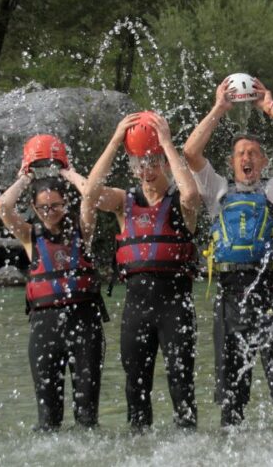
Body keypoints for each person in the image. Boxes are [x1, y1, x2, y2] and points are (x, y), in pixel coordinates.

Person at [183, 76, 273, 427]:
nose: (246, 157)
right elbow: (191, 152)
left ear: (264, 160)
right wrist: (219, 108)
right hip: (230, 299)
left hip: (272, 296)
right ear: (231, 162)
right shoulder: (217, 193)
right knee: (232, 404)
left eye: (253, 153)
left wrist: (268, 106)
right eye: (240, 153)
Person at [82, 112, 200, 430]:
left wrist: (165, 142)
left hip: (175, 306)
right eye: (139, 165)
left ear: (163, 163)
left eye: (152, 163)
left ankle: (190, 451)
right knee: (136, 389)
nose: (146, 172)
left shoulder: (180, 202)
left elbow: (191, 195)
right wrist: (116, 139)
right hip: (137, 309)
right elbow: (90, 193)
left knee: (181, 385)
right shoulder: (124, 202)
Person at [0, 134, 106, 431]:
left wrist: (67, 172)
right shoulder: (30, 235)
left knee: (87, 417)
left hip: (85, 324)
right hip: (44, 327)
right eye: (42, 208)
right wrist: (24, 177)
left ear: (64, 202)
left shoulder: (82, 230)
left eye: (55, 206)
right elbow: (3, 207)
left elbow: (91, 195)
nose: (49, 212)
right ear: (33, 207)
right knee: (47, 418)